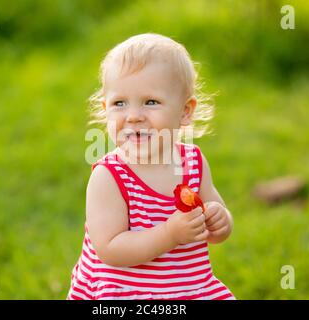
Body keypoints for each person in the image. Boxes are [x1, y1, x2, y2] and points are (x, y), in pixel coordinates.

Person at [67, 33, 234, 300]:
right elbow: (110, 248)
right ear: (105, 108)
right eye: (119, 103)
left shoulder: (193, 163)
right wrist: (169, 233)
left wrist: (219, 220)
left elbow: (214, 216)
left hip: (188, 289)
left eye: (151, 102)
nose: (133, 116)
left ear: (185, 111)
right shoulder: (109, 177)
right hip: (125, 293)